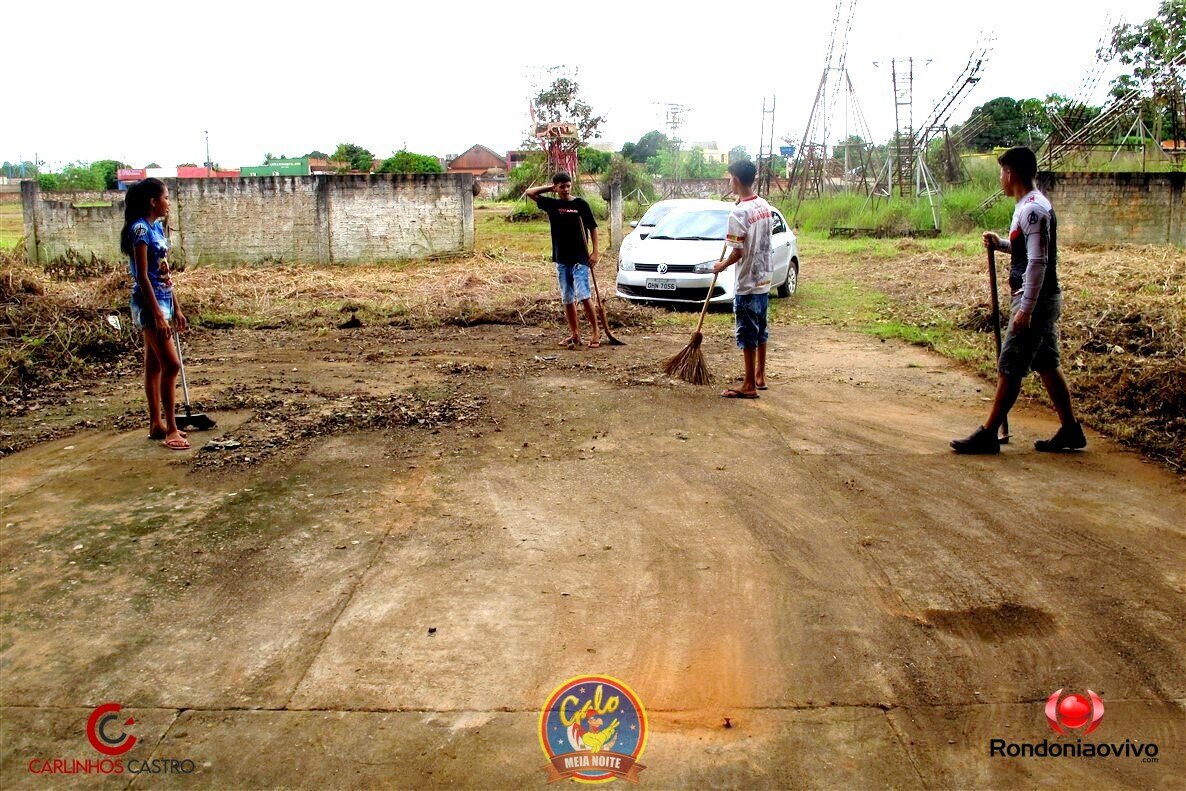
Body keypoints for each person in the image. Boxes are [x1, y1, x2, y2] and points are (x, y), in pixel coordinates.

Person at [951, 146, 1086, 454]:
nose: (1000, 178)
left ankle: (988, 433)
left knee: (1010, 364)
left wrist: (1026, 309)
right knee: (1046, 363)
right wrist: (1000, 243)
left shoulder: (1034, 210)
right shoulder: (1027, 207)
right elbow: (1027, 253)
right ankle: (1070, 429)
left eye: (1001, 172)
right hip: (1037, 299)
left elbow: (1039, 262)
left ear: (1010, 174)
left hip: (1034, 301)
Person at [120, 178, 190, 450]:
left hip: (163, 300)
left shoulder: (156, 227)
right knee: (171, 364)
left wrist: (176, 307)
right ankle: (171, 428)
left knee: (154, 364)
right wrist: (159, 315)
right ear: (152, 201)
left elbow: (163, 271)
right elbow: (141, 276)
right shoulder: (140, 230)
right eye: (165, 197)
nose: (168, 202)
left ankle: (155, 424)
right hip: (149, 304)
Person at [713, 160, 774, 399]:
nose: (729, 181)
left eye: (730, 178)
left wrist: (721, 265)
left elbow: (737, 251)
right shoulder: (763, 205)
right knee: (761, 330)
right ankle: (760, 376)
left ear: (736, 180)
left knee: (747, 332)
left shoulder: (738, 213)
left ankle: (748, 384)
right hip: (764, 278)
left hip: (747, 282)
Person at [525, 172, 601, 348]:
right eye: (561, 186)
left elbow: (593, 227)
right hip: (562, 258)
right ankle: (575, 334)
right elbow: (530, 192)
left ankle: (596, 331)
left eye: (568, 185)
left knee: (583, 295)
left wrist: (595, 252)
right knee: (567, 297)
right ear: (556, 188)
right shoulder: (552, 204)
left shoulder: (580, 204)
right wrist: (548, 188)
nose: (566, 189)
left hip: (580, 258)